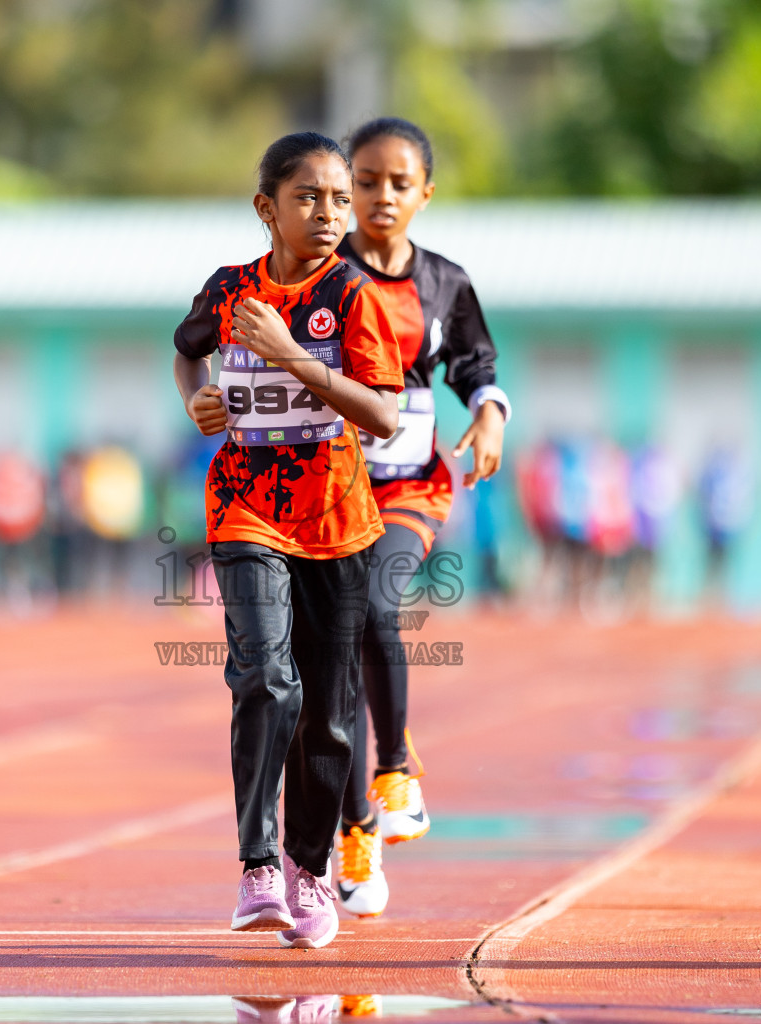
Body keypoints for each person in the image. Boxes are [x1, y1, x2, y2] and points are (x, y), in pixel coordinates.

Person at [172, 131, 403, 949]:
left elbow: (381, 414)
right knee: (266, 679)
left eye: (342, 199)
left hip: (338, 524)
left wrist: (295, 358)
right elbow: (186, 349)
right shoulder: (230, 289)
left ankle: (312, 870)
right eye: (311, 198)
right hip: (245, 510)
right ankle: (259, 866)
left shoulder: (353, 297)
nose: (332, 213)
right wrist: (199, 400)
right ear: (267, 208)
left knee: (331, 719)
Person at [332, 117, 511, 918]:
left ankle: (395, 765)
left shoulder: (444, 283)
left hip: (408, 488)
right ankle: (356, 834)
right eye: (365, 181)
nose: (381, 196)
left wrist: (490, 411)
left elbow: (476, 361)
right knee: (322, 675)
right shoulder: (312, 276)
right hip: (324, 494)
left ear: (424, 195)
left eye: (399, 183)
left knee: (376, 606)